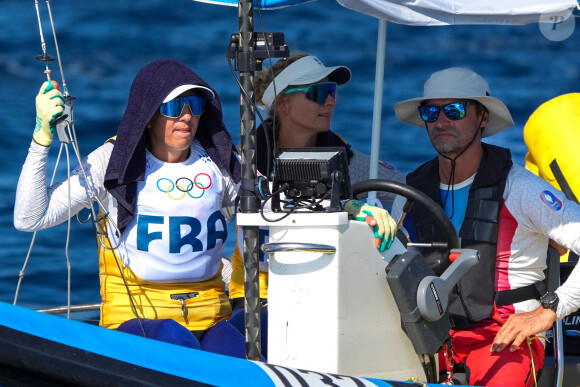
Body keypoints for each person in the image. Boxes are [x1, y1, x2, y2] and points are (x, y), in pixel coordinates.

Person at [13, 59, 251, 358]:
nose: (187, 116)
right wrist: (41, 138)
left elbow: (262, 219)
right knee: (174, 340)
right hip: (136, 319)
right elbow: (29, 218)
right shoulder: (112, 162)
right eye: (174, 107)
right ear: (149, 114)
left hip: (212, 315)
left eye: (194, 104)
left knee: (239, 351)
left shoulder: (222, 163)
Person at [391, 67, 580, 386]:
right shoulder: (409, 194)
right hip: (424, 339)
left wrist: (548, 311)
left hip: (503, 341)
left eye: (454, 110)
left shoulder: (521, 189)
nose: (441, 120)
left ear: (482, 118)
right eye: (431, 111)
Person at [228, 54, 405, 310]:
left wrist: (385, 221)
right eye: (320, 93)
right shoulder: (242, 159)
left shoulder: (348, 160)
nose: (331, 101)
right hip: (254, 294)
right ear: (284, 104)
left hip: (322, 288)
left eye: (332, 91)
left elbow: (409, 189)